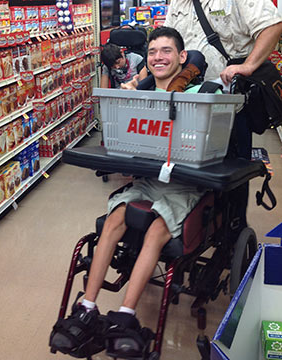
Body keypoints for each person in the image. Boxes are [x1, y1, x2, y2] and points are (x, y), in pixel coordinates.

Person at [50, 27, 209, 357]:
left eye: (166, 51)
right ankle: (88, 308)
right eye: (153, 52)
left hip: (183, 185)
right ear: (146, 59)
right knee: (114, 219)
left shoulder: (201, 93)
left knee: (156, 230)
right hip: (148, 181)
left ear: (182, 57)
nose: (158, 57)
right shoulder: (141, 94)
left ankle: (125, 316)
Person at [164, 0, 282, 231]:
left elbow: (273, 26)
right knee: (190, 169)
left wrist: (247, 66)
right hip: (189, 104)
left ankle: (234, 230)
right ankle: (198, 228)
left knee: (231, 171)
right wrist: (142, 77)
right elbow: (166, 41)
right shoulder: (177, 2)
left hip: (229, 102)